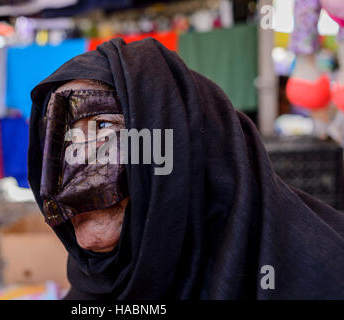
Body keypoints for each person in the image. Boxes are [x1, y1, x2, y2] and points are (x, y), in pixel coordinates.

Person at [28, 38, 344, 299]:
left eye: (102, 127)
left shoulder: (320, 277)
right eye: (59, 143)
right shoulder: (95, 286)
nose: (57, 190)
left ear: (185, 146)